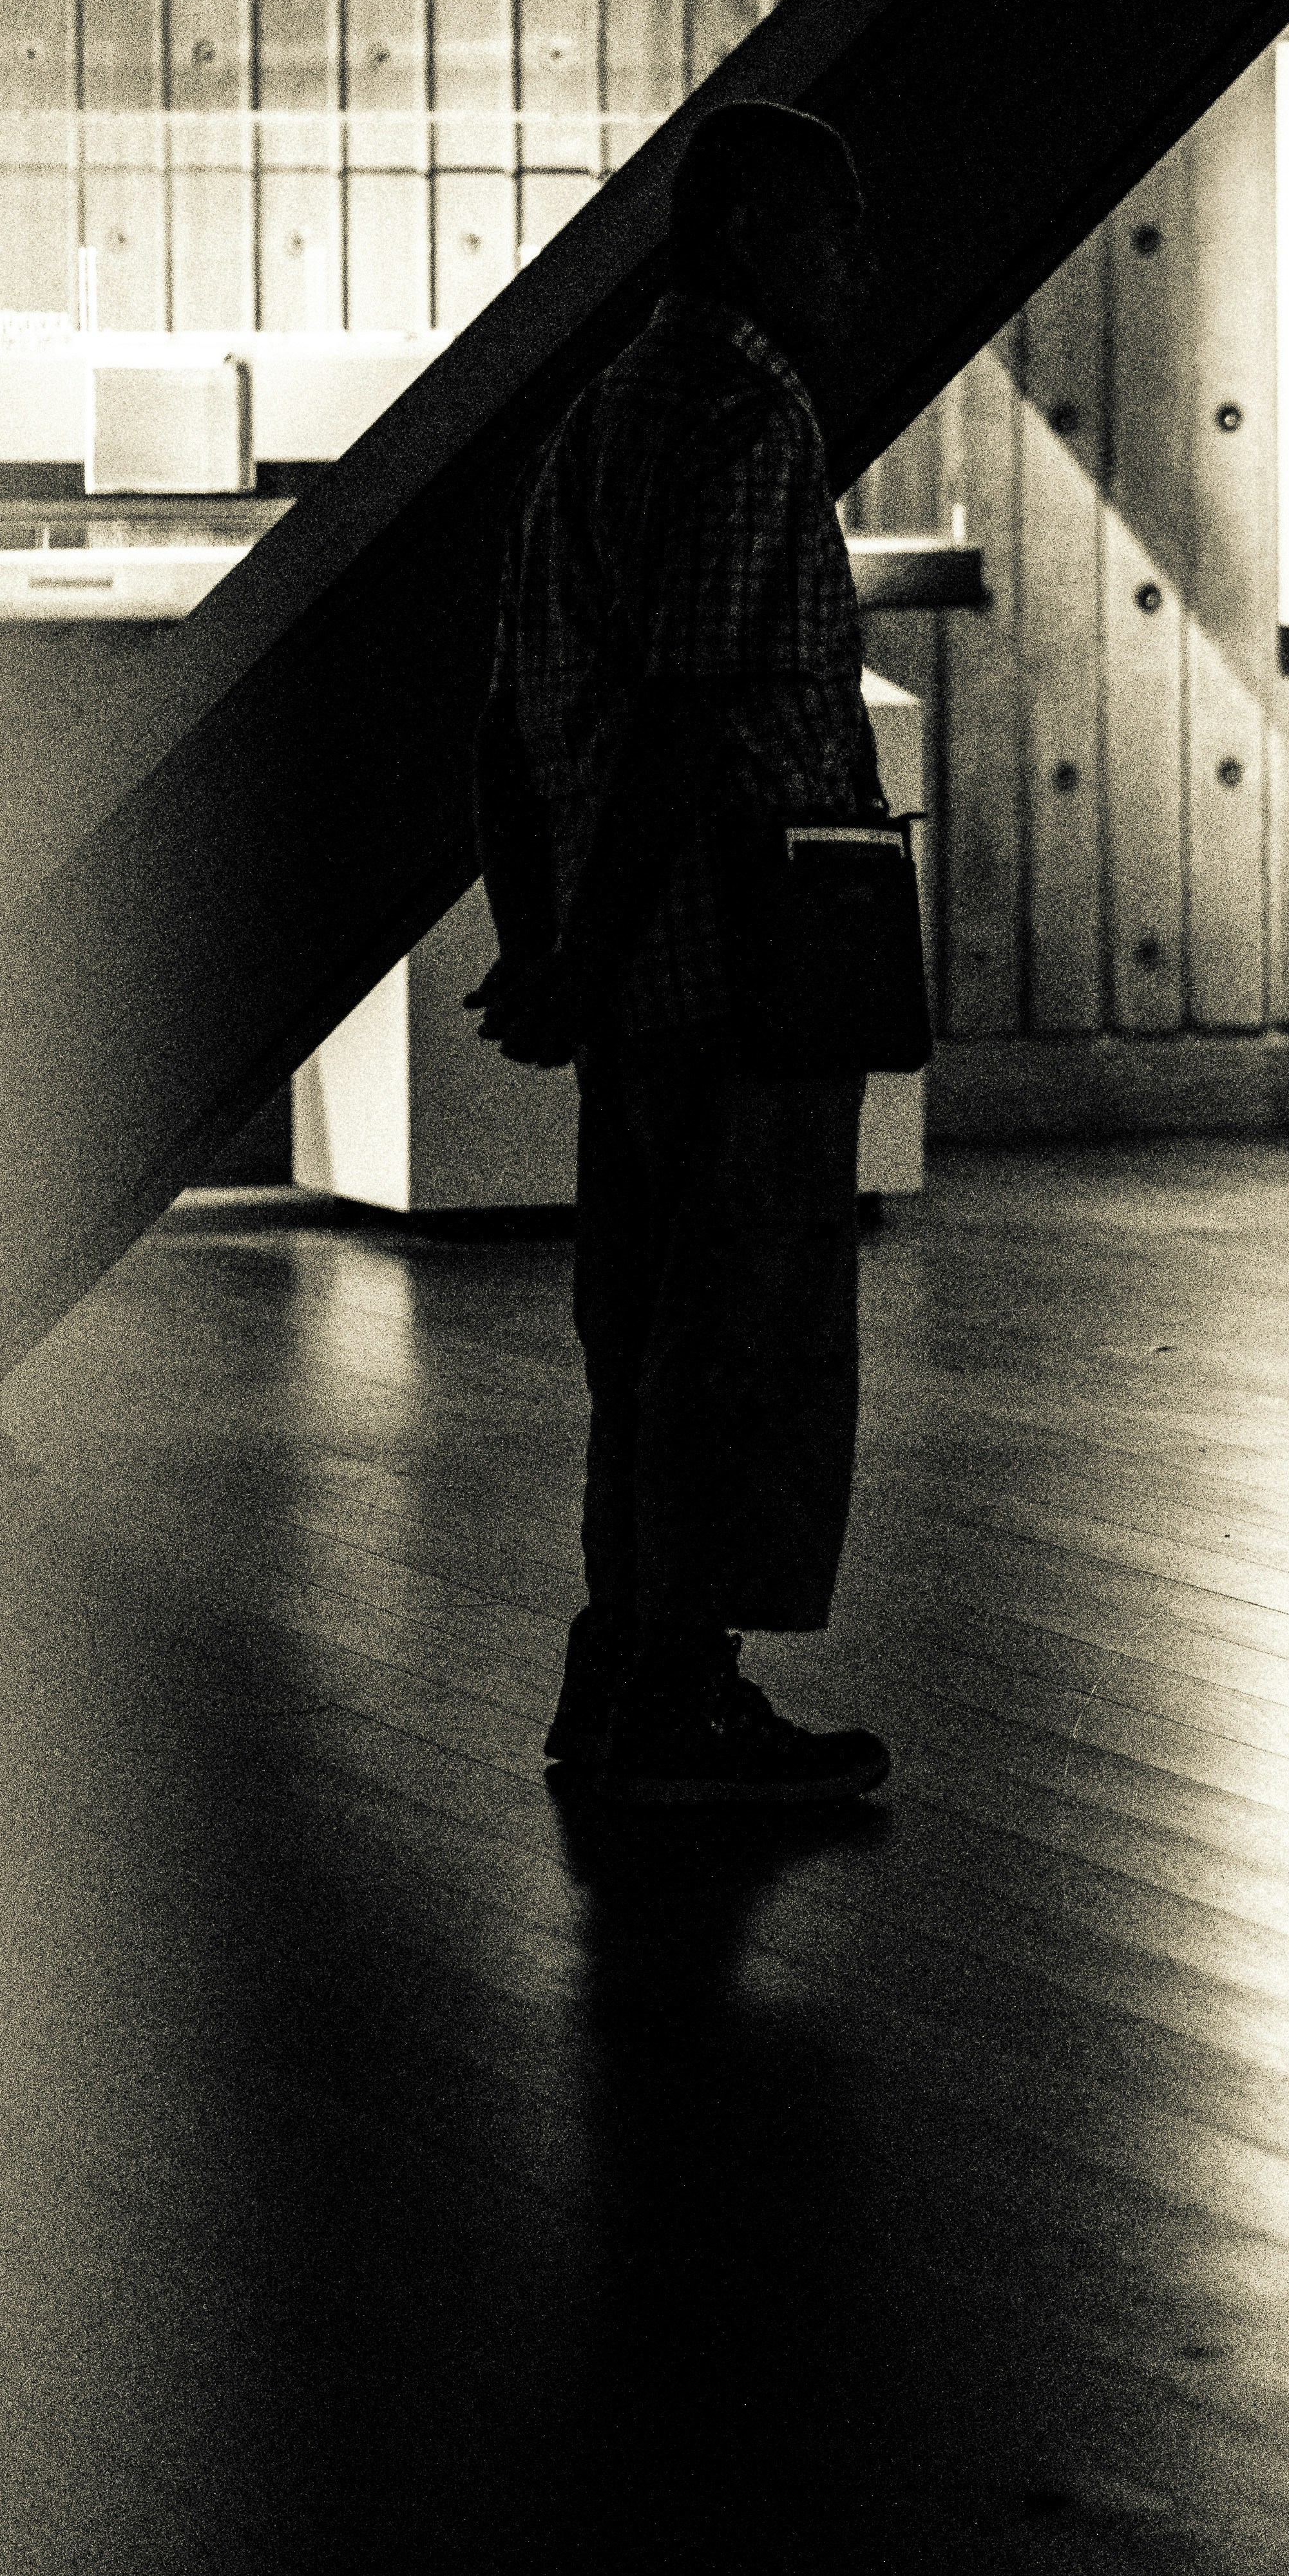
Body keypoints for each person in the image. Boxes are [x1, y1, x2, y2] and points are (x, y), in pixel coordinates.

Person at [468, 102, 895, 1806]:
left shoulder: (602, 413)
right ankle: (681, 1700)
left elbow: (515, 715)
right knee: (745, 1327)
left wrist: (546, 935)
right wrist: (584, 952)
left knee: (636, 1324)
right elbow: (697, 711)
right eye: (831, 227)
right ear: (746, 236)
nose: (855, 264)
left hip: (636, 971)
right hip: (738, 961)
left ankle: (620, 1659)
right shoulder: (749, 414)